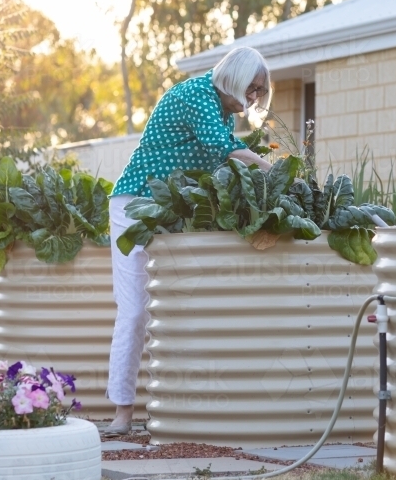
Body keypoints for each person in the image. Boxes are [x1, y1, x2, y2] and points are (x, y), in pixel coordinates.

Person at [104, 46, 273, 435]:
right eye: (253, 88)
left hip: (174, 207)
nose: (255, 97)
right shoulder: (198, 93)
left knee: (180, 307)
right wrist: (272, 169)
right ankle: (122, 412)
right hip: (135, 202)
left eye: (260, 92)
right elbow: (220, 147)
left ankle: (180, 408)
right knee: (134, 309)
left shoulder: (224, 113)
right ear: (235, 76)